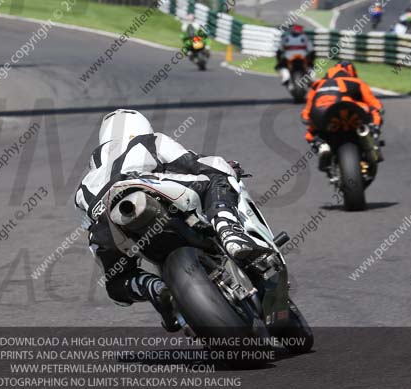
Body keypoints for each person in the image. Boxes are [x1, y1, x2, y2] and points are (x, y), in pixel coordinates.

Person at [75, 110, 273, 331]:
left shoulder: (84, 184)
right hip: (144, 187)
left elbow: (92, 229)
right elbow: (195, 163)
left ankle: (153, 288)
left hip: (107, 221)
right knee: (217, 171)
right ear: (141, 127)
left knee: (115, 283)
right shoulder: (150, 141)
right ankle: (230, 232)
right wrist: (231, 168)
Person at [301, 61, 384, 170]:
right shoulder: (356, 82)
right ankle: (372, 135)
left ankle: (321, 145)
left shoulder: (317, 85)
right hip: (350, 113)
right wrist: (375, 119)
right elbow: (376, 105)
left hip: (323, 115)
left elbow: (306, 114)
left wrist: (310, 121)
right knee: (374, 112)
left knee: (311, 131)